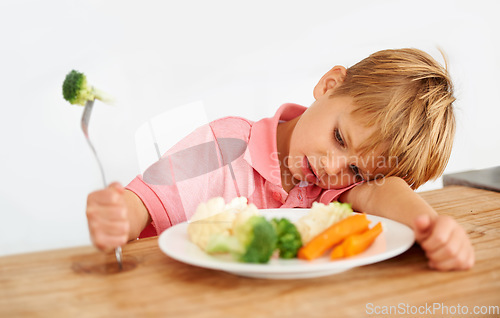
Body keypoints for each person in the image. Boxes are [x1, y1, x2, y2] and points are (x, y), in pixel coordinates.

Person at [86, 48, 474, 271]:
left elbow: (385, 190)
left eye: (357, 170)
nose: (334, 167)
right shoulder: (224, 143)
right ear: (329, 85)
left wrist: (433, 226)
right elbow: (142, 203)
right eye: (339, 138)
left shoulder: (334, 190)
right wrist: (118, 216)